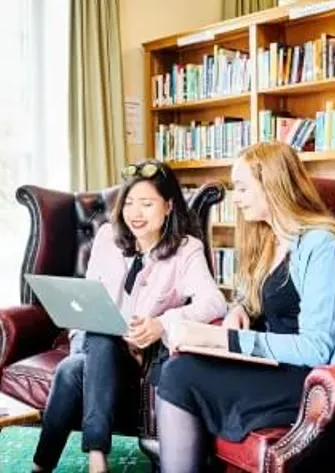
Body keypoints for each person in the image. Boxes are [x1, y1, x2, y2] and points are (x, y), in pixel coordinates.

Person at [154, 141, 335, 473]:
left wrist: (221, 340)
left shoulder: (322, 244)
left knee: (181, 374)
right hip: (280, 365)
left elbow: (316, 348)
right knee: (178, 366)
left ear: (273, 186)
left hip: (316, 379)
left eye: (243, 188)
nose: (236, 198)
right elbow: (254, 298)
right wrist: (239, 310)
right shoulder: (269, 239)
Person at [31, 159, 228, 473]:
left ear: (168, 206)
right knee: (86, 348)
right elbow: (90, 299)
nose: (135, 213)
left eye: (147, 204)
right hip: (98, 351)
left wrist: (161, 324)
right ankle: (89, 459)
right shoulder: (108, 237)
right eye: (130, 203)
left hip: (145, 357)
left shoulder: (186, 249)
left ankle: (53, 466)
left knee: (72, 368)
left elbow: (215, 303)